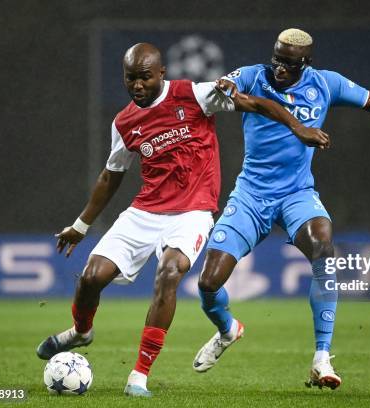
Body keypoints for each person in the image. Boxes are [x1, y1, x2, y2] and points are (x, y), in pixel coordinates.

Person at [35, 42, 330, 397]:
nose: (138, 85)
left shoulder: (193, 94)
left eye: (145, 77)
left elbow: (255, 103)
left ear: (161, 73)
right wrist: (80, 226)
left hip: (192, 212)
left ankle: (139, 376)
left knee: (170, 273)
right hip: (144, 211)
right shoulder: (125, 122)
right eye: (130, 78)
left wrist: (298, 128)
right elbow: (110, 176)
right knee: (90, 278)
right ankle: (81, 332)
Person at [193, 28, 370, 390]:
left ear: (306, 64)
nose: (280, 69)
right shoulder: (253, 75)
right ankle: (227, 329)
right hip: (250, 197)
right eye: (277, 59)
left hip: (296, 194)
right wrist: (223, 85)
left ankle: (322, 357)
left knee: (323, 245)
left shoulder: (326, 84)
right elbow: (227, 82)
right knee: (208, 283)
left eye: (290, 64)